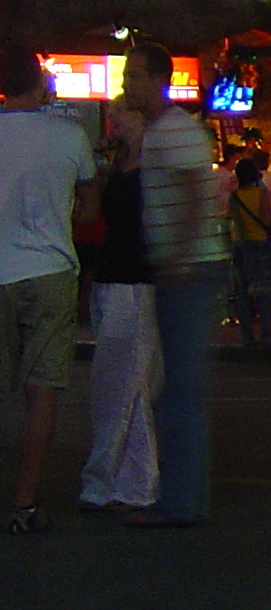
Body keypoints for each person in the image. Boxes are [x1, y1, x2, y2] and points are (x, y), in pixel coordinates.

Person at [0, 46, 99, 533]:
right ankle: (23, 503)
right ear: (41, 84)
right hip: (51, 270)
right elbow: (88, 210)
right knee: (41, 391)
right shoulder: (69, 135)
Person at [127, 41, 225, 526]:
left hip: (188, 269)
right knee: (178, 387)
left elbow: (193, 194)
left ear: (156, 79)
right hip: (183, 266)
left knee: (181, 390)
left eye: (134, 75)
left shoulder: (174, 132)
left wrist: (180, 256)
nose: (128, 84)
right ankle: (184, 495)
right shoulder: (160, 132)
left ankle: (181, 500)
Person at [79, 105, 159, 513]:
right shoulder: (117, 163)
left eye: (126, 113)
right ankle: (137, 482)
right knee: (128, 385)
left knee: (118, 383)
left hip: (136, 279)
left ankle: (102, 479)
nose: (117, 120)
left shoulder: (155, 166)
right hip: (112, 275)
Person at [225, 156, 271, 345]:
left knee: (243, 290)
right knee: (265, 290)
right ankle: (266, 333)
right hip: (259, 243)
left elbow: (233, 220)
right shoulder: (261, 194)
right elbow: (267, 220)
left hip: (240, 244)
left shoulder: (234, 196)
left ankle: (246, 335)